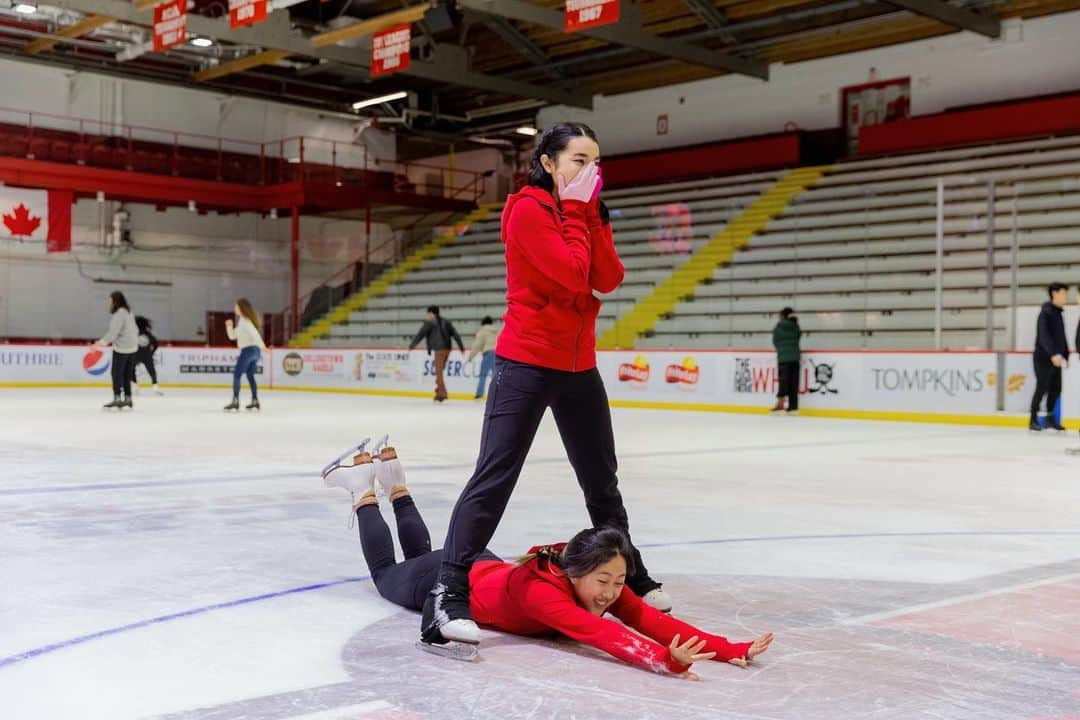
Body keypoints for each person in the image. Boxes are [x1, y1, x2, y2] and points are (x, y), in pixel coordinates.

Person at [421, 122, 670, 652]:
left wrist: (591, 216)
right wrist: (579, 213)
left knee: (602, 481)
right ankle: (446, 593)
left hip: (579, 365)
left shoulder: (586, 211)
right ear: (550, 163)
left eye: (596, 161)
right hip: (527, 362)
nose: (590, 170)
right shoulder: (528, 211)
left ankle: (632, 575)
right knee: (495, 477)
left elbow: (608, 277)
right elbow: (571, 275)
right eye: (579, 160)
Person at [323, 448, 773, 675]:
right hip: (448, 578)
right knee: (388, 572)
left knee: (423, 552)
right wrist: (666, 662)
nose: (613, 593)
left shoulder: (595, 576)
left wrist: (730, 648)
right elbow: (605, 635)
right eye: (605, 581)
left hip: (480, 564)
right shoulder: (546, 593)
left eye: (619, 582)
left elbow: (649, 620)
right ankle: (364, 489)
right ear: (578, 572)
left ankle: (395, 481)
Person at [1029, 282, 1069, 432]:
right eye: (1064, 293)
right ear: (1055, 294)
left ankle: (1050, 419)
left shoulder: (1058, 313)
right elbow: (1044, 336)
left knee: (1056, 389)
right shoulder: (1045, 313)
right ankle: (1033, 419)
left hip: (1057, 358)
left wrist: (1066, 354)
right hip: (1043, 357)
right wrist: (1052, 353)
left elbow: (1061, 337)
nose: (1066, 297)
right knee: (1042, 387)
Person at [408, 306, 465, 403]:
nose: (427, 316)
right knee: (439, 372)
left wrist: (412, 345)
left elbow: (420, 334)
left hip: (439, 350)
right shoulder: (446, 321)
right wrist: (461, 347)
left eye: (428, 314)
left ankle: (442, 394)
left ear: (431, 313)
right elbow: (455, 334)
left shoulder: (429, 323)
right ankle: (439, 393)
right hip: (447, 349)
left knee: (439, 374)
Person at [94, 291, 139, 410]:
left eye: (110, 301)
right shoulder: (129, 312)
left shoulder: (119, 314)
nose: (109, 303)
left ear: (115, 301)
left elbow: (113, 333)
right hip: (133, 348)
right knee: (127, 375)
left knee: (116, 374)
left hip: (122, 349)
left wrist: (100, 343)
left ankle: (117, 398)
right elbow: (135, 330)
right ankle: (128, 398)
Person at [225, 298, 266, 412]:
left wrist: (264, 346)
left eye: (236, 306)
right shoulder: (243, 321)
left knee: (237, 374)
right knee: (250, 375)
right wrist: (229, 326)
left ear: (241, 308)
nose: (235, 308)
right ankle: (255, 400)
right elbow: (232, 336)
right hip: (256, 351)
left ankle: (235, 401)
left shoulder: (245, 321)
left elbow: (255, 334)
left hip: (249, 350)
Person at [771, 307, 801, 415]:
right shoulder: (796, 326)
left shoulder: (779, 327)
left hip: (784, 358)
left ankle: (780, 405)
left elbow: (775, 341)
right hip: (795, 358)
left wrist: (781, 350)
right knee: (794, 383)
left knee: (783, 382)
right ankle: (793, 407)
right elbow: (798, 337)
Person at [468, 316, 499, 399]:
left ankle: (479, 393)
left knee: (483, 375)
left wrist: (471, 356)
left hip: (488, 353)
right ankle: (496, 394)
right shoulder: (497, 331)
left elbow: (477, 345)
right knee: (496, 376)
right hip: (498, 353)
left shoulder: (482, 331)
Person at [131, 315, 162, 396]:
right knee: (152, 371)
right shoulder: (147, 334)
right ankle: (155, 387)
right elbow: (156, 344)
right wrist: (151, 352)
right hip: (146, 355)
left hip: (135, 355)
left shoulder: (133, 333)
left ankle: (135, 386)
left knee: (131, 370)